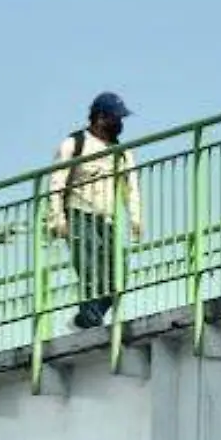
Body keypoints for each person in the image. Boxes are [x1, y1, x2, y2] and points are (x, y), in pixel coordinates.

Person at [46, 92, 145, 330]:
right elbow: (56, 183)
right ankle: (91, 323)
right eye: (116, 118)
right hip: (79, 212)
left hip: (106, 218)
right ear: (100, 118)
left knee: (117, 275)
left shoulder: (122, 152)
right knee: (90, 270)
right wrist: (56, 217)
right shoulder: (73, 144)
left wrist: (135, 218)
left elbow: (130, 188)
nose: (120, 124)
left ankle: (85, 320)